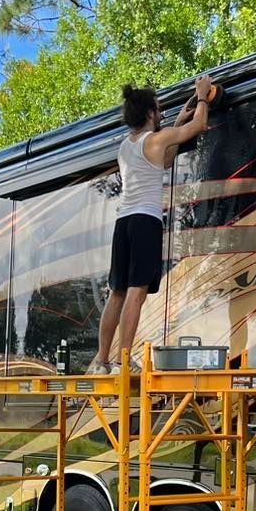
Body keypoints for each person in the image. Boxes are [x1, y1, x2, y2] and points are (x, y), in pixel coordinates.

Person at [85, 74, 214, 374]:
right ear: (149, 113)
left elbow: (165, 161)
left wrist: (178, 120)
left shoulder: (125, 146)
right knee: (137, 291)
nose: (161, 113)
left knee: (117, 292)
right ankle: (123, 360)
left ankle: (102, 361)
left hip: (123, 223)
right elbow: (199, 125)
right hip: (145, 221)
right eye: (158, 109)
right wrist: (202, 95)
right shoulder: (157, 139)